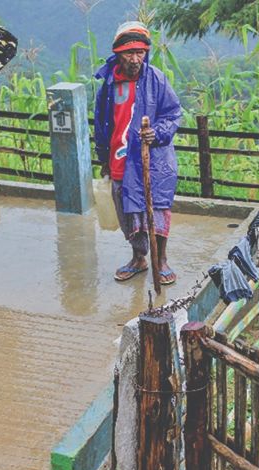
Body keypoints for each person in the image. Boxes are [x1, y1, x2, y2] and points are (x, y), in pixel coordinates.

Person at [94, 21, 182, 285]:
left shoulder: (157, 79)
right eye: (129, 53)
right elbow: (101, 123)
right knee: (129, 212)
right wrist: (103, 158)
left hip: (154, 160)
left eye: (140, 53)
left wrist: (158, 132)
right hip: (121, 159)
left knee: (158, 209)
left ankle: (161, 260)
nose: (135, 59)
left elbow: (173, 113)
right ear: (117, 53)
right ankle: (139, 258)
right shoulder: (109, 85)